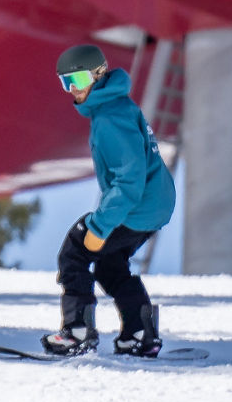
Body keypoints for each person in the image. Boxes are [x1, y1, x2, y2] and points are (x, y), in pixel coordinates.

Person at [40, 44, 177, 357]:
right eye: (66, 83)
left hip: (138, 204)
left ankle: (77, 331)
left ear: (98, 75)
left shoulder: (110, 117)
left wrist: (99, 226)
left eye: (77, 80)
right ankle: (140, 332)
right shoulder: (114, 107)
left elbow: (129, 180)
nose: (72, 90)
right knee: (109, 264)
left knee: (75, 251)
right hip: (152, 205)